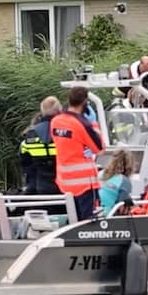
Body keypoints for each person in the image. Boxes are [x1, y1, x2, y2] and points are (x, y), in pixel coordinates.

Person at [51, 85, 104, 221]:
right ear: (85, 102)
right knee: (87, 222)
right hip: (84, 183)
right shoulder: (82, 124)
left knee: (73, 219)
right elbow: (100, 148)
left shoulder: (56, 121)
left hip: (65, 181)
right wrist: (94, 125)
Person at [19, 96, 61, 195]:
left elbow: (24, 161)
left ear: (42, 111)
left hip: (41, 185)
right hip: (64, 185)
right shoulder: (64, 130)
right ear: (59, 110)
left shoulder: (31, 134)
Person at [98, 150, 135, 217]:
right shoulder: (124, 181)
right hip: (108, 216)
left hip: (95, 212)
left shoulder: (100, 174)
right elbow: (122, 209)